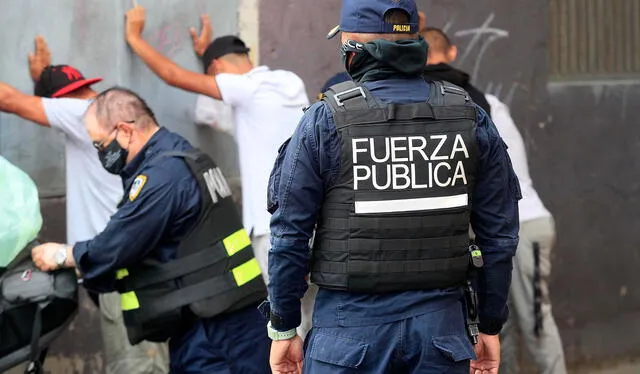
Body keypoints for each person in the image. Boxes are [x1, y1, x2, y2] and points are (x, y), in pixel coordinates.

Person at [265, 1, 521, 373]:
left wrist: (284, 326)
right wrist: (489, 323)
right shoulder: (469, 114)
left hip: (347, 336)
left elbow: (289, 235)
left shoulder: (325, 120)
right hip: (441, 336)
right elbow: (498, 236)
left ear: (351, 46)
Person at [30, 87, 271, 373]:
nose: (100, 153)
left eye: (100, 144)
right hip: (221, 316)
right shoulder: (183, 155)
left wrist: (62, 255)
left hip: (217, 330)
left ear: (124, 131)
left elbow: (117, 245)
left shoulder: (163, 177)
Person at [123, 6, 315, 338]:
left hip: (272, 229)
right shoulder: (286, 86)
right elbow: (211, 113)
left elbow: (172, 76)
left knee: (283, 330)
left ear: (217, 70)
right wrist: (207, 64)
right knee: (310, 320)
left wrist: (134, 38)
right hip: (311, 222)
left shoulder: (250, 89)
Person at [0, 37, 169, 374]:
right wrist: (43, 79)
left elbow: (6, 99)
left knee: (136, 365)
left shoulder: (82, 113)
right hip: (129, 261)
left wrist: (38, 92)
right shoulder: (113, 119)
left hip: (121, 266)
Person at [423, 27, 567, 374]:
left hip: (522, 224)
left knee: (534, 324)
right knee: (498, 327)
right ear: (454, 52)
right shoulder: (484, 100)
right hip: (502, 228)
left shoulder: (464, 104)